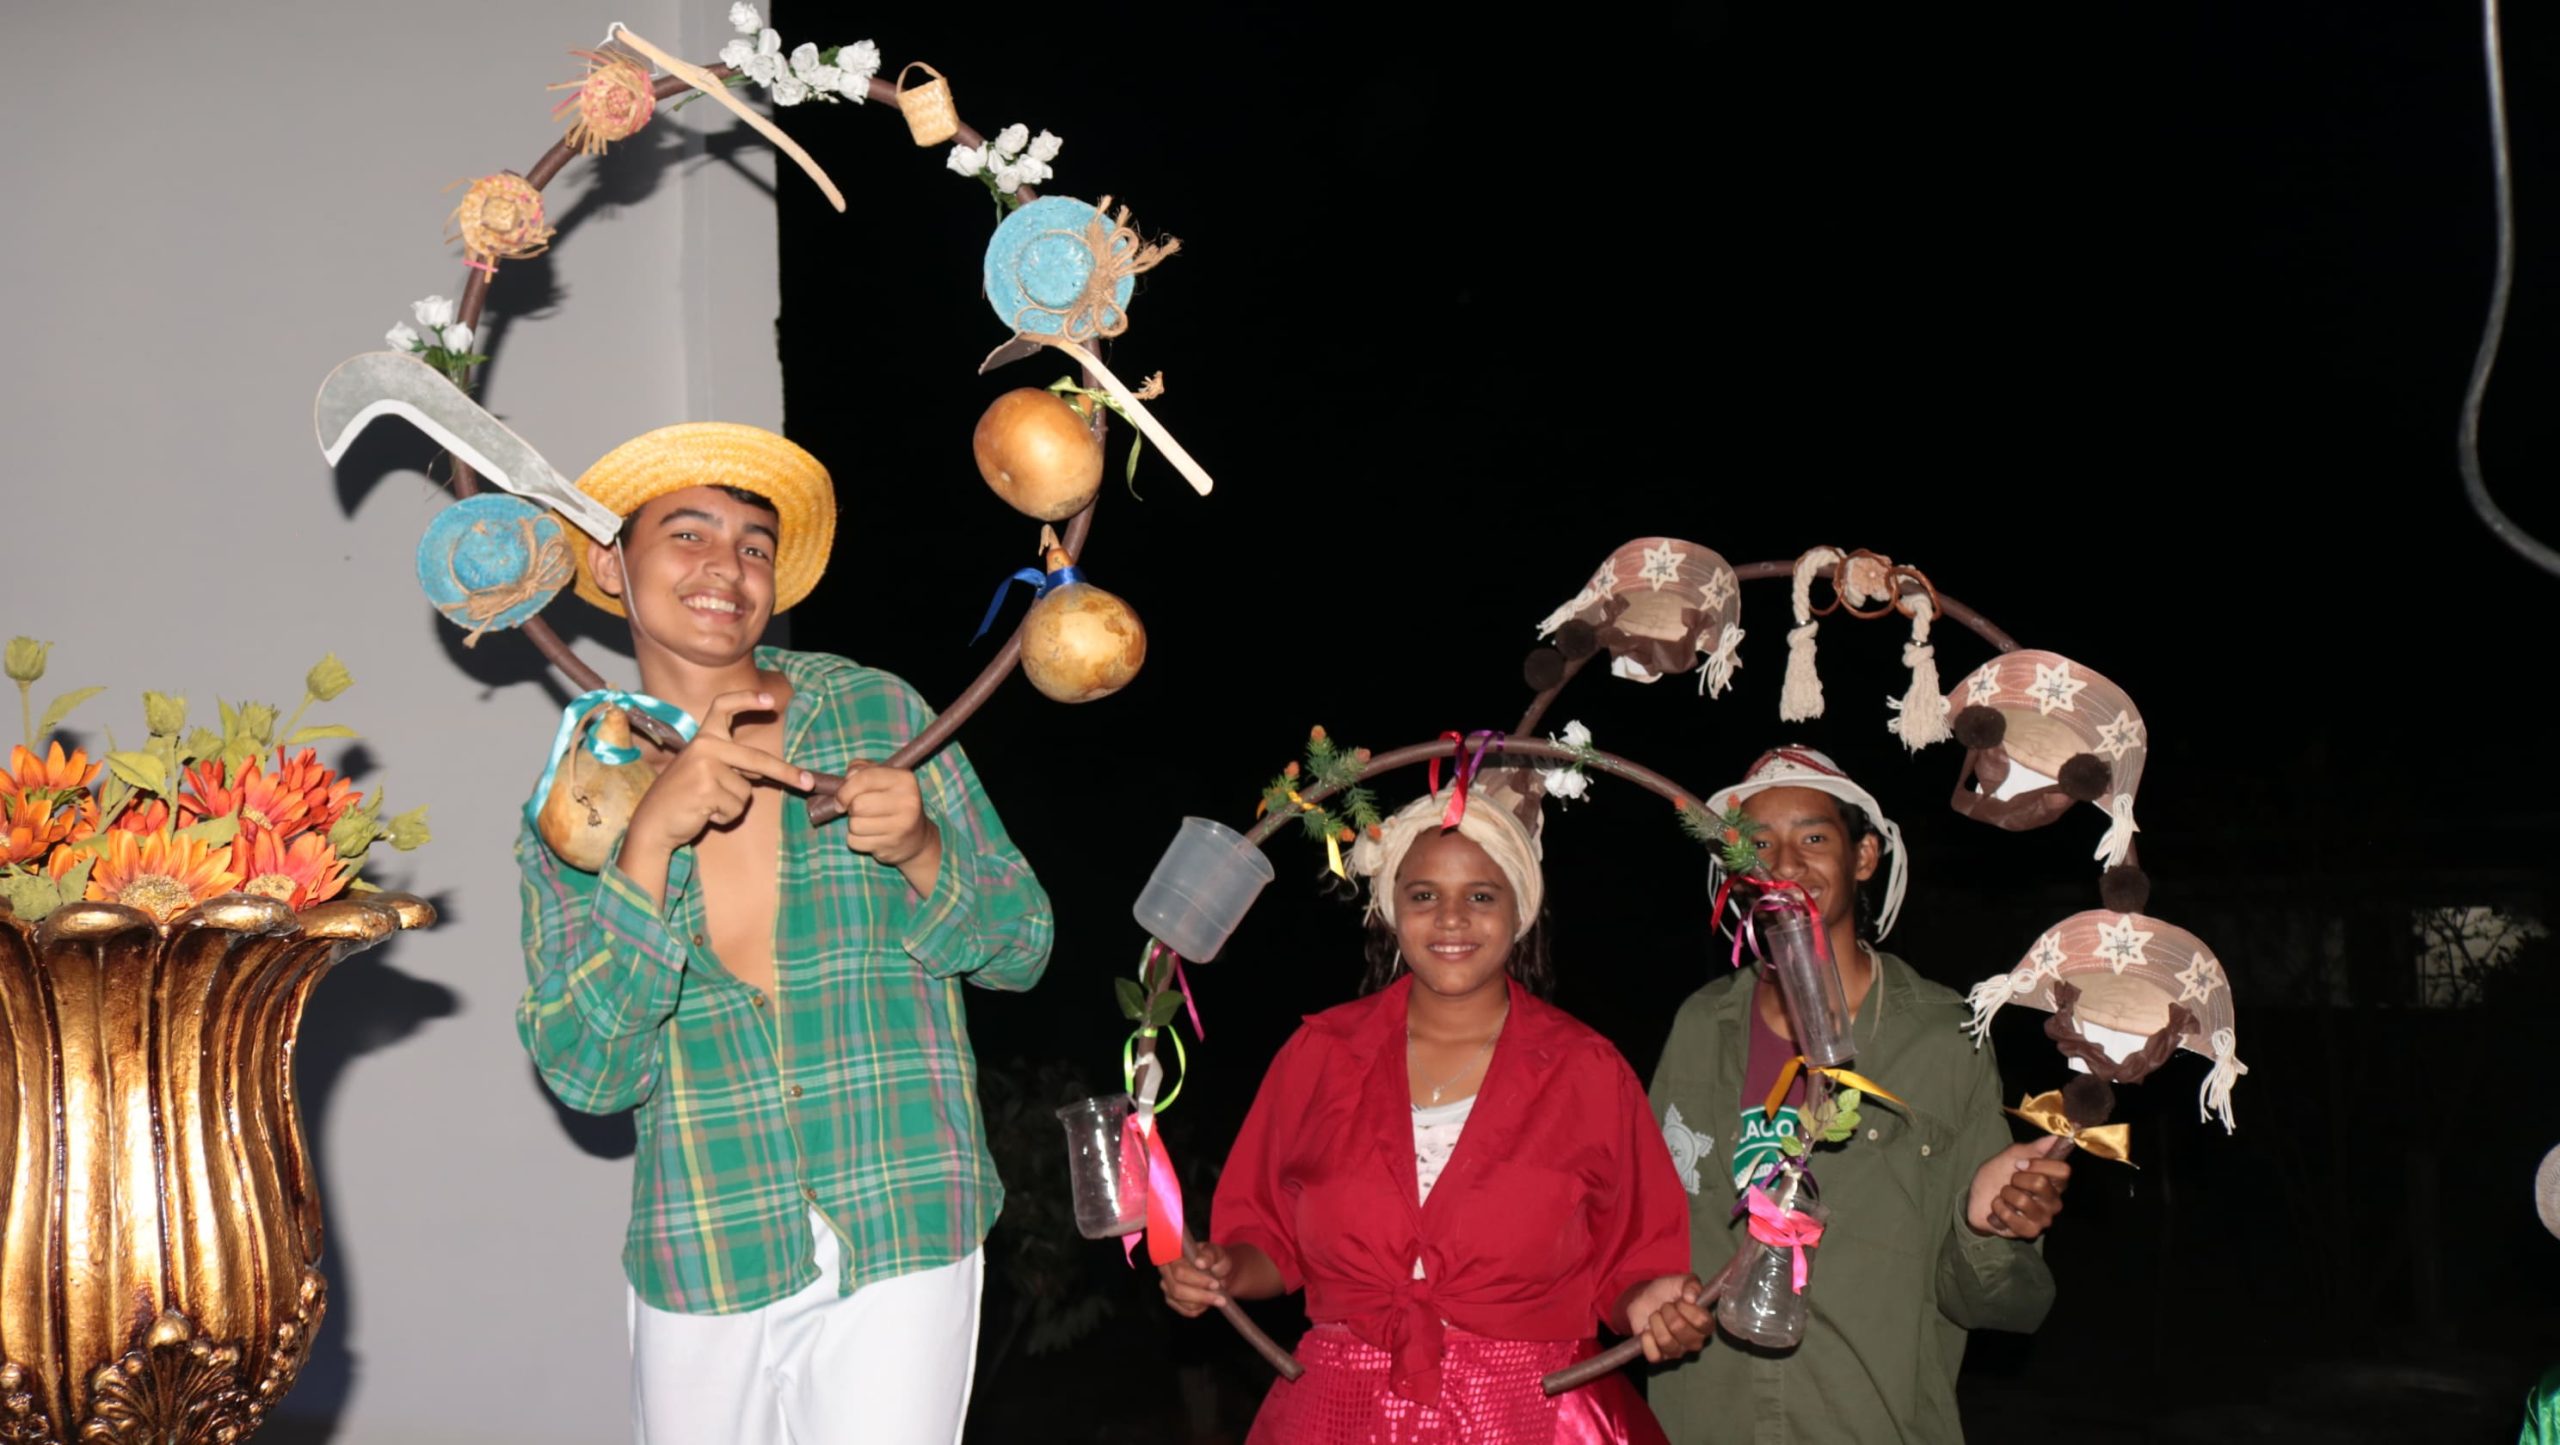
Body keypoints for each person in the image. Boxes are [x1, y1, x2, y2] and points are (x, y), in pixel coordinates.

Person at [512, 423, 1053, 1445]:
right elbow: (586, 1073)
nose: (728, 567)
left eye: (755, 545)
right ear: (609, 559)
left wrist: (926, 847)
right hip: (706, 1240)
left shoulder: (877, 711)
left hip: (902, 1217)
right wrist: (650, 840)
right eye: (688, 534)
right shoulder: (578, 798)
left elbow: (1022, 942)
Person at [1160, 786, 1711, 1442]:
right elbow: (1270, 1240)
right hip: (1341, 1408)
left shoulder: (1587, 1070)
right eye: (1425, 894)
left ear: (1520, 910)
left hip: (1535, 1411)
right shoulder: (1321, 1055)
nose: (1452, 918)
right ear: (1393, 908)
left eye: (1481, 895)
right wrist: (1220, 1268)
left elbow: (1633, 1259)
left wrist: (1649, 1303)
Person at [1647, 745, 2068, 1444]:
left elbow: (2003, 1303)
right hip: (1705, 1416)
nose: (1782, 864)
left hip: (1872, 1422)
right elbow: (1645, 1231)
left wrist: (1987, 1224)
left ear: (1864, 856)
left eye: (1812, 837)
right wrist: (1641, 1294)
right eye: (1757, 844)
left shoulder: (1941, 1038)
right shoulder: (1700, 1027)